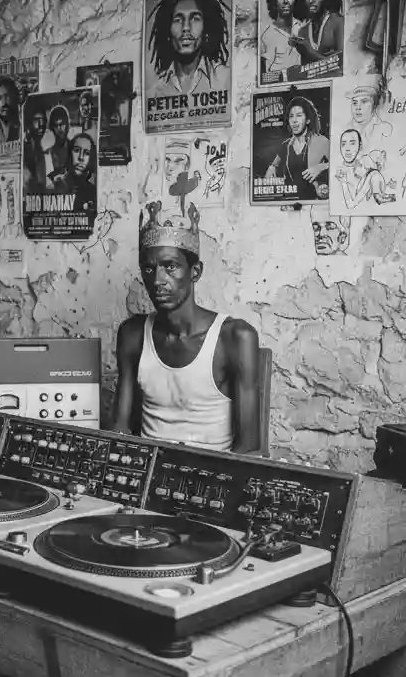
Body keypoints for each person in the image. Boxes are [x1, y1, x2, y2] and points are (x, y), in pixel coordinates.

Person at [113, 202, 261, 453]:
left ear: (195, 272)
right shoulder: (133, 334)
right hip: (147, 472)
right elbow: (120, 429)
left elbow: (249, 447)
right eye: (149, 269)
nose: (158, 280)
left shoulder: (234, 337)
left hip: (211, 477)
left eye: (170, 266)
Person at [147, 0, 231, 96]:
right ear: (168, 30)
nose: (186, 27)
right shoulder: (154, 93)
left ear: (206, 28)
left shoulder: (227, 80)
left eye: (195, 19)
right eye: (178, 20)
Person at [264, 95, 329, 200]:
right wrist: (271, 168)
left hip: (312, 205)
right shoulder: (286, 145)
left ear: (308, 120)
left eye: (299, 115)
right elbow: (274, 165)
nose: (294, 120)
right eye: (291, 116)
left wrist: (320, 167)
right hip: (289, 203)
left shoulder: (321, 141)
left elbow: (340, 163)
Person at [334, 128, 396, 209]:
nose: (347, 149)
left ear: (360, 146)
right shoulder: (338, 172)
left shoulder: (371, 173)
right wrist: (344, 183)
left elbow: (379, 199)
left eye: (352, 143)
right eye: (343, 144)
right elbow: (350, 205)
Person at [289, 0, 343, 68]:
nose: (311, 0)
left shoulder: (338, 22)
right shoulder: (303, 31)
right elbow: (306, 71)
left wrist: (309, 52)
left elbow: (342, 65)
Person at [260, 0, 301, 79]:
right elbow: (265, 75)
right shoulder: (266, 35)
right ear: (274, 1)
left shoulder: (303, 27)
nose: (286, 1)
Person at [50, 133, 97, 211]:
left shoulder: (93, 191)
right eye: (77, 150)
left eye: (87, 153)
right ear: (69, 153)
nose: (81, 157)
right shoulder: (53, 182)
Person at [344, 84, 393, 154]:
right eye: (354, 103)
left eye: (364, 102)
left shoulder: (385, 129)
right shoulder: (345, 129)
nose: (358, 107)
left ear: (374, 104)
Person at [23, 107, 48, 194]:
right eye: (36, 121)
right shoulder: (25, 148)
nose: (41, 125)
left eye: (43, 120)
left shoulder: (39, 148)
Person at [45, 105, 71, 182]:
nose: (59, 128)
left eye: (62, 124)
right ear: (52, 128)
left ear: (67, 125)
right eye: (56, 125)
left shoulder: (73, 148)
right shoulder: (47, 152)